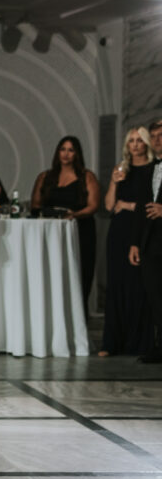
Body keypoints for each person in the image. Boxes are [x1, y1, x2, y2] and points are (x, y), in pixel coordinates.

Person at [31, 136, 101, 314]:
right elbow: (35, 205)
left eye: (71, 150)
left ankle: (79, 322)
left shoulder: (87, 176)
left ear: (77, 154)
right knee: (53, 278)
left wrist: (73, 215)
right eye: (63, 149)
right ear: (57, 152)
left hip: (80, 231)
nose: (66, 154)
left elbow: (93, 206)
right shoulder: (45, 176)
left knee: (79, 278)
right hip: (51, 234)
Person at [100, 127, 154, 356]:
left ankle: (138, 343)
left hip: (141, 230)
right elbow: (109, 206)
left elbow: (149, 204)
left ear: (146, 144)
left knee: (138, 287)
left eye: (139, 140)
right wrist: (113, 182)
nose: (134, 145)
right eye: (131, 140)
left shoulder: (154, 170)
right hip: (118, 232)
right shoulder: (122, 169)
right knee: (116, 286)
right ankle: (111, 343)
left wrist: (129, 205)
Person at [129, 119, 162, 364]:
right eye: (154, 135)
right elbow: (142, 207)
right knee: (154, 295)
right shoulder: (151, 168)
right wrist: (135, 243)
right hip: (151, 240)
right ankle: (159, 346)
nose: (158, 139)